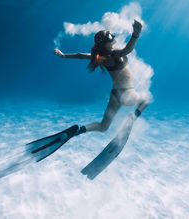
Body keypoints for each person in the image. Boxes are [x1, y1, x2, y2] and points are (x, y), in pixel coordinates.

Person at [25, 20, 148, 164]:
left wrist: (64, 56)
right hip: (127, 93)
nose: (114, 37)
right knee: (145, 101)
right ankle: (132, 118)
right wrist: (135, 35)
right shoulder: (114, 55)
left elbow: (80, 55)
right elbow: (127, 50)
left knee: (103, 127)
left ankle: (77, 131)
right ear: (107, 44)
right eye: (111, 37)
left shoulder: (100, 57)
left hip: (115, 94)